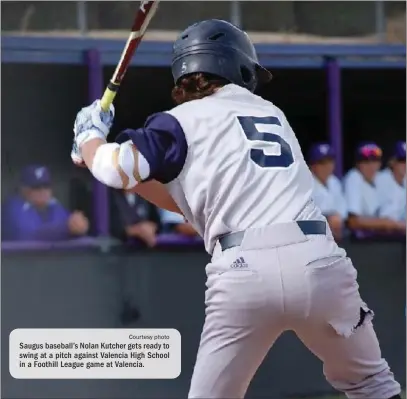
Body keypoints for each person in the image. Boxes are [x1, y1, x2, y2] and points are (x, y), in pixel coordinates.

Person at [70, 20, 401, 399]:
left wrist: (90, 139)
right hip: (318, 261)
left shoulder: (176, 122)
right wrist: (96, 156)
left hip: (244, 271)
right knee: (372, 385)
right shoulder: (273, 114)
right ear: (238, 67)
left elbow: (115, 168)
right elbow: (187, 202)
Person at [2, 165, 89, 241]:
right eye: (36, 187)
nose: (42, 191)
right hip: (21, 259)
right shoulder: (11, 207)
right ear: (23, 189)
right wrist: (66, 229)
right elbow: (26, 233)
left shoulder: (55, 206)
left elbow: (72, 226)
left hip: (54, 259)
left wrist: (79, 226)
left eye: (46, 186)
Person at [343, 142, 404, 235]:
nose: (371, 166)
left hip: (376, 239)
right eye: (366, 161)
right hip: (354, 241)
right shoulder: (354, 177)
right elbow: (353, 221)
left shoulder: (379, 179)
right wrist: (388, 223)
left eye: (375, 161)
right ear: (358, 164)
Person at [308, 142, 347, 240]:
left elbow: (343, 211)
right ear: (313, 165)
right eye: (322, 163)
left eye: (330, 161)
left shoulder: (335, 182)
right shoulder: (304, 184)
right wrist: (328, 220)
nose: (327, 166)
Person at [376, 141, 406, 228]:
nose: (406, 164)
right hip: (375, 233)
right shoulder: (379, 179)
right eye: (402, 160)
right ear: (392, 162)